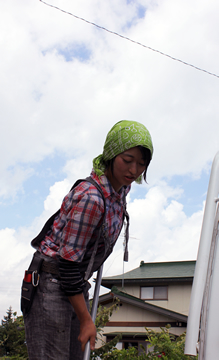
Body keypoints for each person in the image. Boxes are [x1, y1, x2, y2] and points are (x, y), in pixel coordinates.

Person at [23, 120, 153, 360]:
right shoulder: (91, 198)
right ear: (112, 154)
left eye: (142, 164)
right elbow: (69, 265)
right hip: (52, 284)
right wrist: (86, 320)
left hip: (74, 284)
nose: (134, 170)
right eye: (127, 160)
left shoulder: (119, 192)